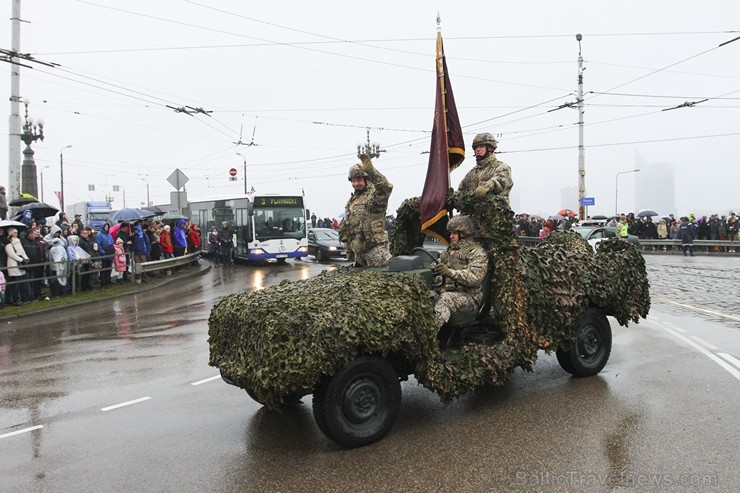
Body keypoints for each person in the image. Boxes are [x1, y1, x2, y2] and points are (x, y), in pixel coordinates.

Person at [431, 216, 489, 331]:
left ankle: (429, 339)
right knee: (426, 295)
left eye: (454, 233)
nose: (450, 236)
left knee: (445, 299)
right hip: (448, 291)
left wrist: (449, 272)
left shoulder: (477, 253)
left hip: (470, 298)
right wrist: (434, 268)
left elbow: (475, 278)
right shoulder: (449, 251)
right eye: (450, 233)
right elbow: (437, 265)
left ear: (463, 234)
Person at [338, 153, 393, 267]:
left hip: (376, 253)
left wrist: (372, 171)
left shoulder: (373, 196)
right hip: (359, 253)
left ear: (367, 179)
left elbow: (385, 188)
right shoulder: (351, 201)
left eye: (358, 180)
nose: (355, 184)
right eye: (353, 181)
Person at [454, 132, 513, 207]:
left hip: (494, 214)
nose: (477, 150)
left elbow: (502, 180)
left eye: (481, 146)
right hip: (472, 215)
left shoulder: (501, 167)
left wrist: (488, 186)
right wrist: (453, 198)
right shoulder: (472, 173)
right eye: (476, 147)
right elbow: (461, 190)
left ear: (490, 148)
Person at [5, 228, 31, 305]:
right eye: (14, 233)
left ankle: (21, 298)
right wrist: (21, 260)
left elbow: (22, 251)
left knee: (20, 283)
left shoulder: (18, 242)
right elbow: (11, 254)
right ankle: (16, 299)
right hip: (13, 264)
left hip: (20, 265)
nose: (15, 234)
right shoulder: (8, 244)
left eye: (16, 233)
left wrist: (26, 258)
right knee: (15, 284)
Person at [21, 227, 45, 300]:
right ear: (29, 234)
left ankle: (36, 294)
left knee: (36, 281)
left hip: (37, 264)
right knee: (29, 282)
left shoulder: (35, 242)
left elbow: (38, 252)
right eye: (34, 234)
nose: (35, 235)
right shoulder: (23, 242)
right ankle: (29, 296)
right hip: (28, 265)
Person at [95, 223, 115, 287]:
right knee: (104, 269)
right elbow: (98, 244)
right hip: (104, 254)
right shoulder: (99, 235)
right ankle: (103, 282)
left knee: (109, 268)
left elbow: (112, 243)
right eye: (105, 226)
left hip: (110, 253)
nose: (106, 227)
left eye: (107, 226)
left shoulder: (109, 235)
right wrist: (102, 252)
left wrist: (112, 250)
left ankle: (108, 280)